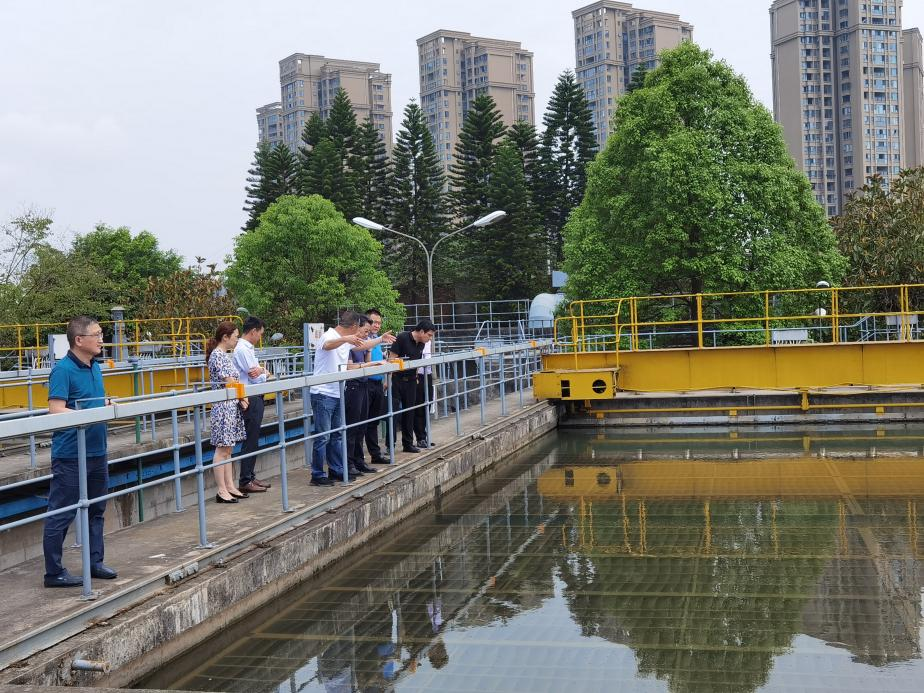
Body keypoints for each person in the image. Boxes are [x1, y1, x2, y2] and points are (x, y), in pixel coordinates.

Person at [43, 316, 117, 587]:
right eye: (96, 335)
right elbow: (56, 409)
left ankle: (95, 562)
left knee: (96, 510)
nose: (101, 340)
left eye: (101, 334)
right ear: (79, 340)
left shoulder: (95, 367)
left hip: (97, 450)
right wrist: (88, 414)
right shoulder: (63, 370)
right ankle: (53, 573)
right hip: (71, 454)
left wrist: (106, 405)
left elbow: (89, 402)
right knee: (62, 513)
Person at [309, 311, 365, 486]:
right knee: (323, 437)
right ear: (354, 326)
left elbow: (362, 345)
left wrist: (380, 339)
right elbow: (327, 345)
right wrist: (346, 339)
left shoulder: (345, 340)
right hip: (323, 393)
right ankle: (317, 474)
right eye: (359, 327)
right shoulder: (329, 335)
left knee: (337, 435)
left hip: (337, 392)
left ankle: (336, 470)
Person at [206, 321, 249, 504]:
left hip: (230, 406)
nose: (237, 340)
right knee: (222, 449)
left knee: (228, 449)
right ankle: (222, 490)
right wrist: (242, 397)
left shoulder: (223, 355)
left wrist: (240, 398)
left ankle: (230, 486)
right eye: (235, 336)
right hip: (223, 408)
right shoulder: (218, 355)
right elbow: (230, 381)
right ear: (225, 337)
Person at [345, 315, 394, 474]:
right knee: (352, 427)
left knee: (362, 425)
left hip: (364, 383)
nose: (367, 334)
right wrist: (373, 362)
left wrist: (369, 350)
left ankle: (359, 460)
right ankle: (349, 463)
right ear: (355, 328)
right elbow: (350, 367)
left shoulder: (363, 344)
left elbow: (366, 359)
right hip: (353, 386)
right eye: (365, 331)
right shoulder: (349, 345)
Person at [232, 316, 273, 494]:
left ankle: (250, 475)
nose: (260, 337)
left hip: (254, 396)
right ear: (253, 331)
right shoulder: (242, 349)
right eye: (260, 334)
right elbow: (255, 376)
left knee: (254, 438)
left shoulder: (247, 348)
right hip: (250, 397)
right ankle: (245, 479)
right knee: (250, 439)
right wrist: (264, 371)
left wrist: (261, 371)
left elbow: (257, 373)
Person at [388, 320, 436, 453]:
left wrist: (415, 378)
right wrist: (388, 380)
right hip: (397, 379)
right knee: (393, 412)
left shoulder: (421, 343)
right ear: (421, 331)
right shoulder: (402, 338)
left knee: (410, 412)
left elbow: (417, 361)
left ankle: (407, 444)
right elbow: (391, 359)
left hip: (411, 381)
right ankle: (390, 445)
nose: (430, 338)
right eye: (429, 335)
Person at [363, 309, 390, 465]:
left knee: (374, 421)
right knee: (363, 421)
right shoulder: (365, 339)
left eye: (379, 323)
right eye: (374, 322)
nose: (377, 325)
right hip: (366, 383)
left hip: (378, 383)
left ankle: (375, 454)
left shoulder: (377, 340)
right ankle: (359, 458)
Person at [414, 339, 436, 448]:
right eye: (429, 334)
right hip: (419, 375)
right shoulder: (417, 341)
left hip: (428, 373)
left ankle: (424, 436)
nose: (430, 337)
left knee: (428, 403)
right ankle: (420, 438)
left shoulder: (429, 341)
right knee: (419, 407)